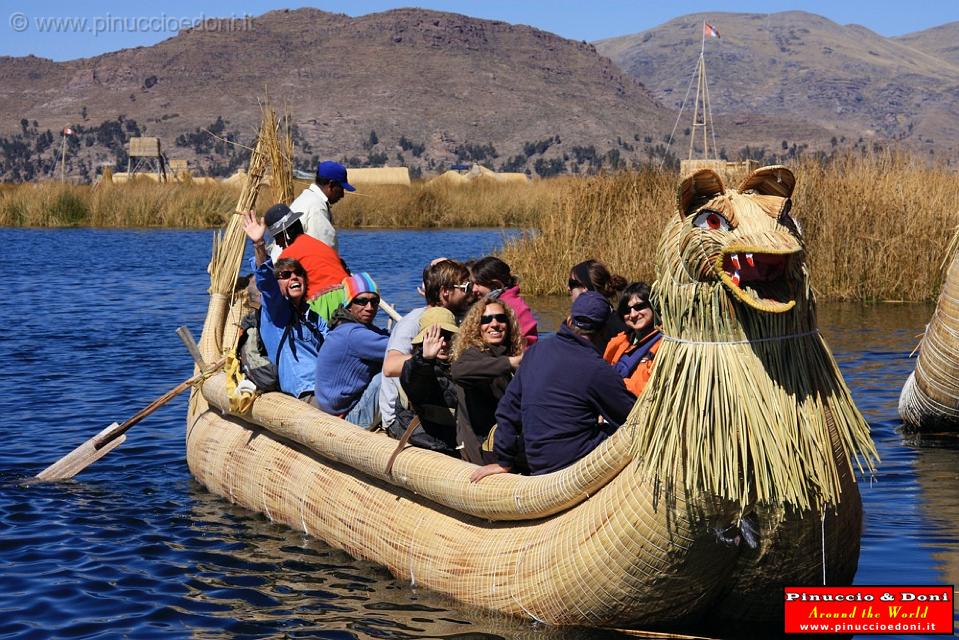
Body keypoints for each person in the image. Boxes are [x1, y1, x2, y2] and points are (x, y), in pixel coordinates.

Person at [470, 292, 636, 480]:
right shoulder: (596, 368)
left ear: (569, 320)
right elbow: (631, 416)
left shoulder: (537, 351)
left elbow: (507, 410)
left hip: (537, 460)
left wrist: (504, 461)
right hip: (574, 463)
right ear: (605, 330)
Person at [379, 259, 475, 434]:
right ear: (446, 292)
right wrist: (427, 355)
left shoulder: (456, 318)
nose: (471, 292)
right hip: (402, 418)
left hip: (434, 406)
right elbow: (389, 367)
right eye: (465, 288)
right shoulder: (415, 321)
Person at [241, 210, 327, 402]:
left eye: (297, 273)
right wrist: (259, 244)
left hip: (329, 386)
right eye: (285, 276)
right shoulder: (277, 313)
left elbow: (332, 343)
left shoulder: (313, 316)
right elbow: (266, 280)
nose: (293, 277)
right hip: (306, 391)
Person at [450, 296, 524, 464]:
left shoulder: (503, 353)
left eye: (501, 318)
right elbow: (459, 371)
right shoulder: (473, 354)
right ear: (477, 327)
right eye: (486, 319)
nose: (494, 324)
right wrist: (510, 363)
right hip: (482, 449)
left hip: (506, 439)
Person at [313, 273, 390, 428]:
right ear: (349, 304)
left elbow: (384, 336)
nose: (369, 307)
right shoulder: (354, 335)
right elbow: (398, 347)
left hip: (337, 408)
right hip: (346, 419)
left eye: (374, 301)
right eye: (362, 301)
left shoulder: (345, 325)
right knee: (393, 372)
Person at [265, 203, 350, 322]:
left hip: (323, 303)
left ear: (285, 234)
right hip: (349, 297)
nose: (278, 243)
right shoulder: (320, 245)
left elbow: (278, 290)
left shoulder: (288, 256)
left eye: (277, 237)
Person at [395, 307, 461, 454]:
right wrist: (426, 359)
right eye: (436, 337)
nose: (442, 343)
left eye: (447, 336)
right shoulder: (417, 367)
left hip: (456, 437)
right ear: (424, 340)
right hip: (429, 440)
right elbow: (415, 382)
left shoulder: (461, 364)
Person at [273, 161, 354, 258]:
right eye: (341, 188)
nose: (342, 195)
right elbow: (324, 250)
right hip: (288, 267)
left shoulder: (308, 198)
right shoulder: (316, 206)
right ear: (331, 185)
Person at [603, 282, 662, 397]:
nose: (633, 314)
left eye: (639, 307)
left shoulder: (664, 344)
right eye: (627, 310)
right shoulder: (619, 341)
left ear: (653, 305)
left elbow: (644, 388)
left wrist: (610, 385)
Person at [470, 256, 538, 348]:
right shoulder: (507, 301)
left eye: (478, 284)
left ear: (495, 285)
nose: (473, 289)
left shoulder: (507, 306)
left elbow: (527, 343)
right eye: (472, 284)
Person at [566, 259, 628, 349]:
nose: (568, 288)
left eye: (572, 284)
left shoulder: (616, 327)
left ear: (585, 288)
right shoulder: (613, 319)